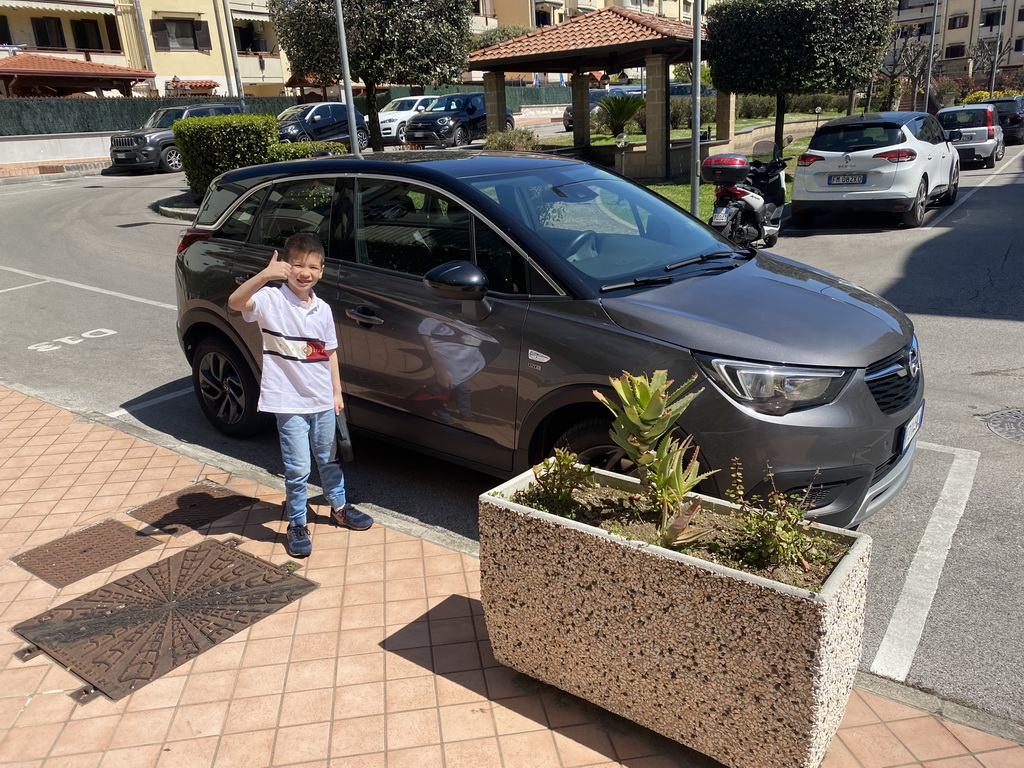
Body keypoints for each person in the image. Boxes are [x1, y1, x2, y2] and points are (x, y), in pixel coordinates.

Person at [227, 232, 373, 557]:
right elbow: (235, 303)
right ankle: (296, 522)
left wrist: (337, 393)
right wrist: (264, 275)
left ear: (322, 270)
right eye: (297, 265)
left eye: (313, 266)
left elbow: (330, 353)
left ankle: (339, 508)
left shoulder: (322, 310)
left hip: (322, 400)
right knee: (297, 468)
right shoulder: (270, 300)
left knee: (329, 459)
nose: (305, 272)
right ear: (286, 266)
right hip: (288, 401)